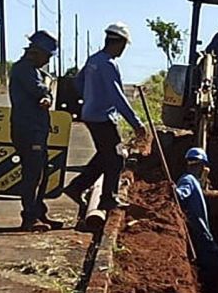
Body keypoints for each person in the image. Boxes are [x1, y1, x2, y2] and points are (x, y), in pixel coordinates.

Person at [64, 22, 146, 211]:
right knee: (116, 156)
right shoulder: (109, 64)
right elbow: (117, 96)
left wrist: (91, 97)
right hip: (103, 118)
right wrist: (136, 123)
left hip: (90, 114)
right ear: (119, 43)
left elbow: (78, 82)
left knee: (105, 155)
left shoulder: (93, 60)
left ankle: (76, 187)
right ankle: (108, 198)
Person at [9, 30, 62, 232]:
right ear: (36, 52)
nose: (47, 60)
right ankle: (29, 217)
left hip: (37, 129)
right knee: (32, 174)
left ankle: (39, 212)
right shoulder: (24, 69)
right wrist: (46, 92)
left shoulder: (36, 71)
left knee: (42, 172)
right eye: (47, 56)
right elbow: (39, 90)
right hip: (28, 129)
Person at [176, 148, 218, 291]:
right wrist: (173, 190)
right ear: (201, 166)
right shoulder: (188, 180)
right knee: (216, 261)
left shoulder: (193, 181)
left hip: (199, 228)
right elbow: (180, 195)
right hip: (198, 230)